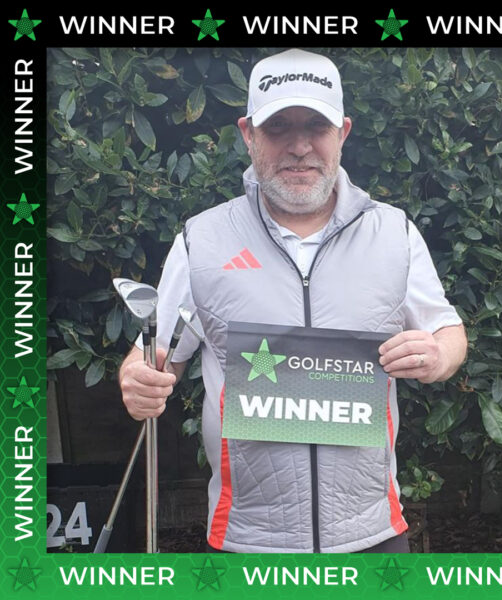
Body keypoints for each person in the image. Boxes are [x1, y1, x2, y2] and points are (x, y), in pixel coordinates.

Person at [119, 49, 467, 553]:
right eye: (278, 126)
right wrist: (136, 379)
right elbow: (152, 356)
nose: (300, 146)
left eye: (317, 126)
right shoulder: (202, 241)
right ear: (248, 134)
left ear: (343, 133)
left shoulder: (394, 234)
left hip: (372, 533)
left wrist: (438, 357)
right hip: (248, 541)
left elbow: (448, 332)